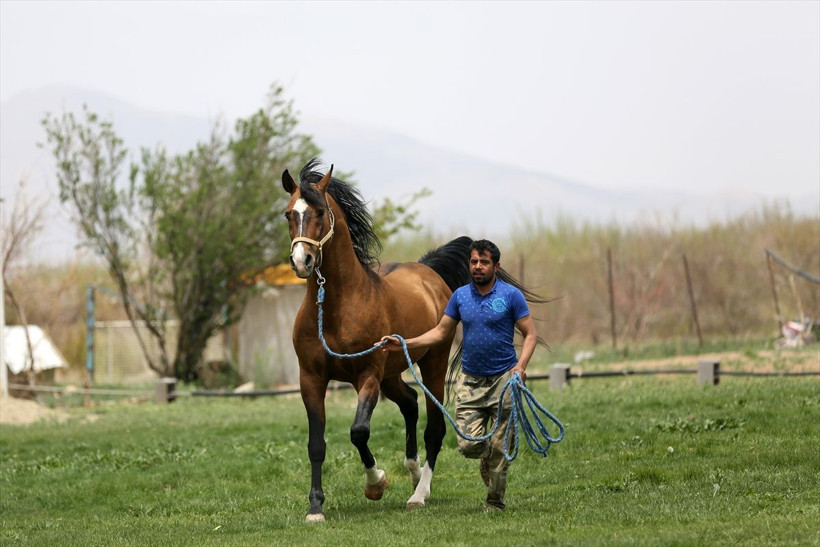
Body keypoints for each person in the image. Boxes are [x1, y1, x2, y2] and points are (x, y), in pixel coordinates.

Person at [379, 239, 537, 511]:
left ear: (496, 266)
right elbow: (440, 332)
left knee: (502, 450)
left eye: (484, 262)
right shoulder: (460, 297)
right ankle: (486, 454)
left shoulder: (511, 296)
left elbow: (530, 334)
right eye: (474, 262)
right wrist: (405, 343)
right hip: (471, 381)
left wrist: (521, 365)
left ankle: (494, 502)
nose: (478, 267)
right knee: (467, 445)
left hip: (503, 379)